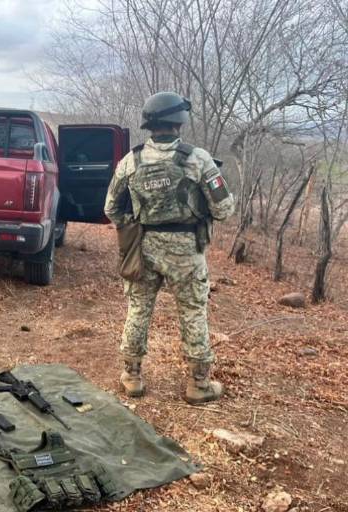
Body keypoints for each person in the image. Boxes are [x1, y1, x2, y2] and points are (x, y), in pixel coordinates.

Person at [104, 92, 235, 404]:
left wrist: (135, 223)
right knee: (192, 311)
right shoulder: (197, 159)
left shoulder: (130, 161)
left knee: (138, 309)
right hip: (186, 250)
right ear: (179, 121)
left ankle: (133, 377)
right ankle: (198, 384)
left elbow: (111, 208)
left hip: (143, 248)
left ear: (149, 124)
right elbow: (224, 209)